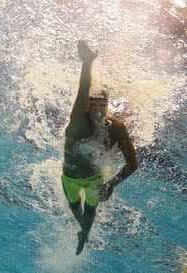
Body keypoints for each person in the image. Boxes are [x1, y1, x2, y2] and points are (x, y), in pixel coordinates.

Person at [62, 41, 138, 255]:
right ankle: (81, 229)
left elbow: (133, 164)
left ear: (107, 106)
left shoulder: (116, 128)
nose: (96, 110)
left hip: (95, 178)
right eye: (92, 105)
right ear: (87, 106)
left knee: (90, 213)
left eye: (101, 105)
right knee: (75, 207)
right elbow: (82, 91)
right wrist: (86, 64)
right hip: (70, 178)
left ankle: (84, 233)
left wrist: (112, 184)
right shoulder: (78, 120)